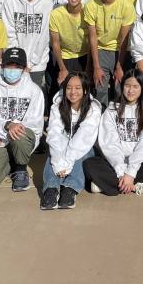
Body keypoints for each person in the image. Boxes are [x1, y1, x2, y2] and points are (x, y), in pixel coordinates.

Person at [83, 69, 143, 196]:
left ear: (142, 88)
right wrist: (122, 172)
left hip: (139, 164)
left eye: (135, 86)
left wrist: (131, 172)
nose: (131, 91)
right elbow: (109, 143)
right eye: (127, 86)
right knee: (89, 164)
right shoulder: (111, 110)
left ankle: (107, 185)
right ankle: (136, 186)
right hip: (114, 163)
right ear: (122, 87)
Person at [0, 48, 44, 194]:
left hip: (20, 139)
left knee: (19, 132)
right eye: (9, 66)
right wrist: (8, 125)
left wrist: (12, 127)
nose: (12, 70)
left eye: (17, 66)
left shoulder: (34, 90)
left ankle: (20, 169)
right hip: (0, 141)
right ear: (2, 67)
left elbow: (35, 125)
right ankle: (11, 162)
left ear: (24, 68)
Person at [41, 72, 102, 210]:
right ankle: (51, 189)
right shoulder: (57, 107)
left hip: (85, 148)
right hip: (64, 147)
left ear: (85, 90)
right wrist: (58, 162)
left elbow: (83, 140)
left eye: (78, 88)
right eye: (68, 88)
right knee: (53, 153)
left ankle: (70, 188)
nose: (73, 92)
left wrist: (66, 163)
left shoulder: (93, 109)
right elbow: (54, 135)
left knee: (82, 155)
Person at [83, 0, 136, 105]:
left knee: (121, 88)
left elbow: (125, 39)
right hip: (100, 50)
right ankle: (101, 118)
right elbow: (92, 37)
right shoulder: (91, 5)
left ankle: (120, 118)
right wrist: (96, 66)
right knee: (100, 88)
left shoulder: (126, 5)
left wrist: (119, 66)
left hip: (121, 51)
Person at [2, 0, 53, 89]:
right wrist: (17, 60)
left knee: (35, 99)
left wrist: (30, 63)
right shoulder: (10, 2)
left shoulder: (47, 4)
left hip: (37, 64)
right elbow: (9, 33)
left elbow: (44, 36)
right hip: (14, 64)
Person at [49, 0, 90, 87]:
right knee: (64, 89)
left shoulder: (88, 11)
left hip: (86, 55)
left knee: (84, 88)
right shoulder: (56, 14)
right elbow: (55, 43)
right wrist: (62, 68)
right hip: (65, 56)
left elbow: (93, 39)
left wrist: (90, 66)